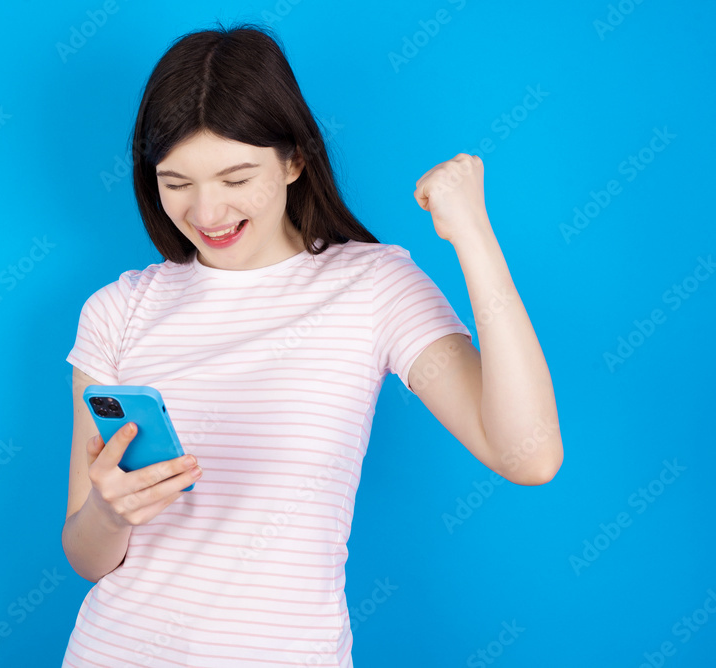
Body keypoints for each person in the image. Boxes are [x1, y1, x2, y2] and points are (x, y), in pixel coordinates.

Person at [61, 20, 563, 667]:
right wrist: (109, 513)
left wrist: (472, 234)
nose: (206, 213)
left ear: (294, 159)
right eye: (177, 183)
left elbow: (529, 455)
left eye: (236, 179)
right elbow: (87, 558)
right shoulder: (117, 310)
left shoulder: (373, 286)